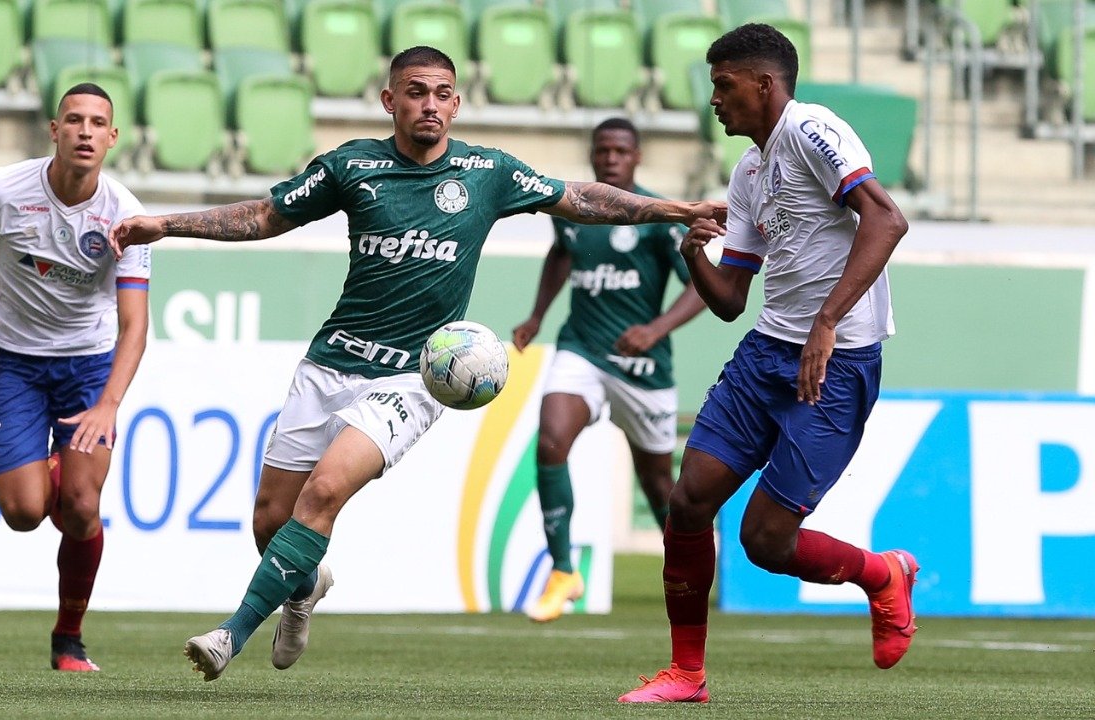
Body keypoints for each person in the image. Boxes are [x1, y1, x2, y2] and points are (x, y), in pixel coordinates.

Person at [108, 45, 725, 682]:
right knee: (271, 520)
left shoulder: (488, 172)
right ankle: (305, 587)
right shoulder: (352, 165)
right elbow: (266, 216)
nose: (430, 104)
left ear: (456, 104)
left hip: (414, 376)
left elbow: (581, 199)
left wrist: (678, 209)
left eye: (441, 93)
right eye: (415, 91)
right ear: (390, 100)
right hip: (331, 362)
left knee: (324, 492)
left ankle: (229, 634)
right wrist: (166, 224)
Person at [617, 24, 916, 704]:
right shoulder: (749, 172)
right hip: (766, 352)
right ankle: (686, 674)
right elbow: (730, 300)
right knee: (688, 501)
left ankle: (882, 575)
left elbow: (886, 220)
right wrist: (693, 253)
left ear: (764, 83)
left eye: (723, 85)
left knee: (764, 541)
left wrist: (827, 322)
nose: (714, 99)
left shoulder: (813, 130)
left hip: (835, 363)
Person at [0, 83, 151, 673]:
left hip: (88, 365)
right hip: (15, 362)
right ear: (54, 130)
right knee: (25, 513)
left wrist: (109, 403)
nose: (85, 131)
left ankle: (68, 639)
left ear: (113, 137)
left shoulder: (125, 215)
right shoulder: (6, 188)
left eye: (97, 123)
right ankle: (54, 465)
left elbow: (135, 325)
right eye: (73, 120)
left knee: (80, 506)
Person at [511, 118, 707, 623]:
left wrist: (656, 329)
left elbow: (700, 287)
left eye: (621, 151)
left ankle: (688, 570)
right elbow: (561, 254)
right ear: (593, 155)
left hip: (643, 366)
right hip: (581, 348)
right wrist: (537, 315)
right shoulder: (573, 210)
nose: (611, 158)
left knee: (659, 485)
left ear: (637, 157)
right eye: (603, 150)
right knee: (551, 442)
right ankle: (563, 570)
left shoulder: (659, 217)